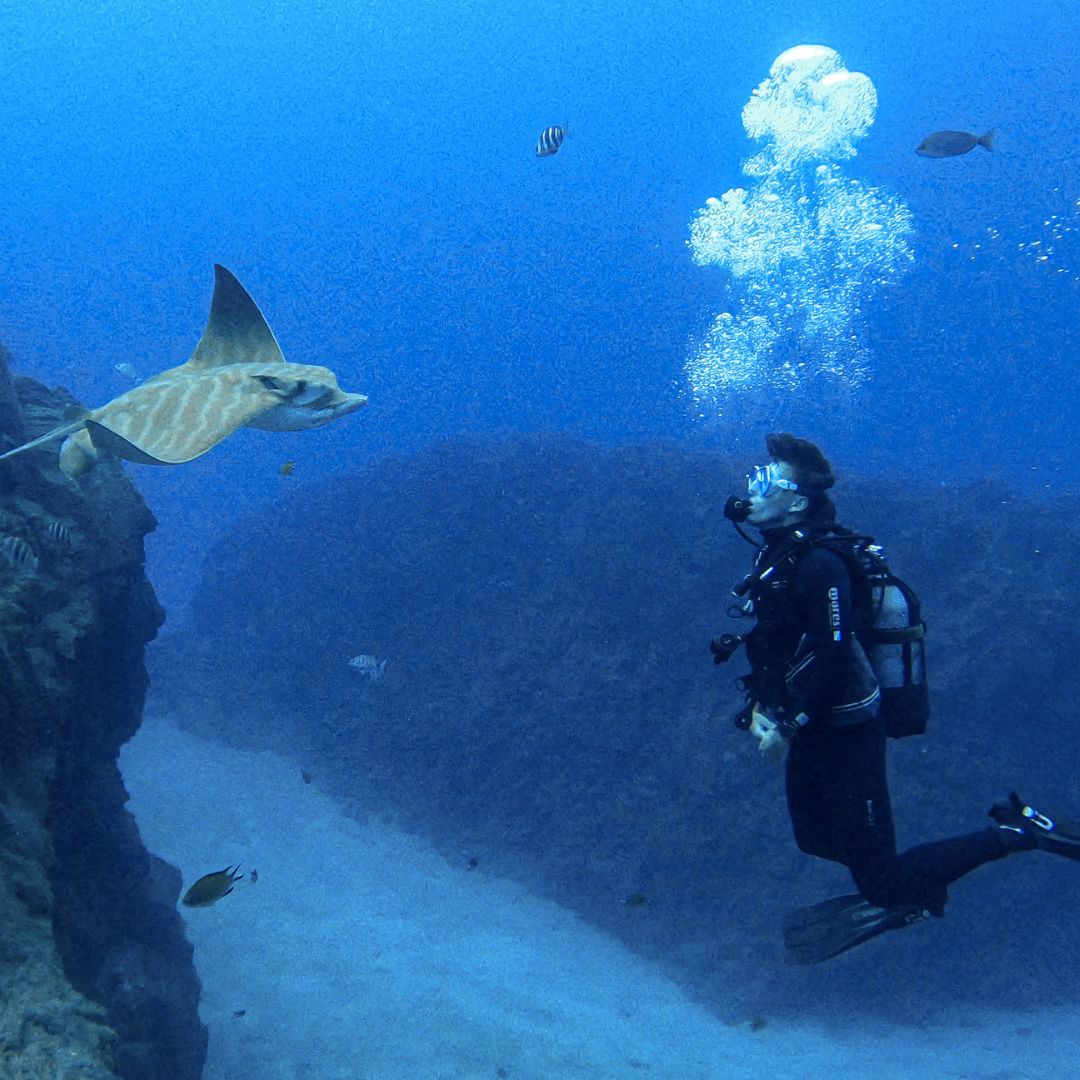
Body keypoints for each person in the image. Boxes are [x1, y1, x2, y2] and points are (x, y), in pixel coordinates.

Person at [711, 432, 1080, 963]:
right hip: (811, 727)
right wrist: (763, 712)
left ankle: (1017, 832)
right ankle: (908, 887)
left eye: (768, 478)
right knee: (813, 839)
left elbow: (834, 657)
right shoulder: (778, 556)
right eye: (756, 473)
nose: (752, 485)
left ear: (796, 502)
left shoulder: (821, 566)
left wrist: (790, 727)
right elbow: (779, 649)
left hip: (846, 736)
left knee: (881, 879)